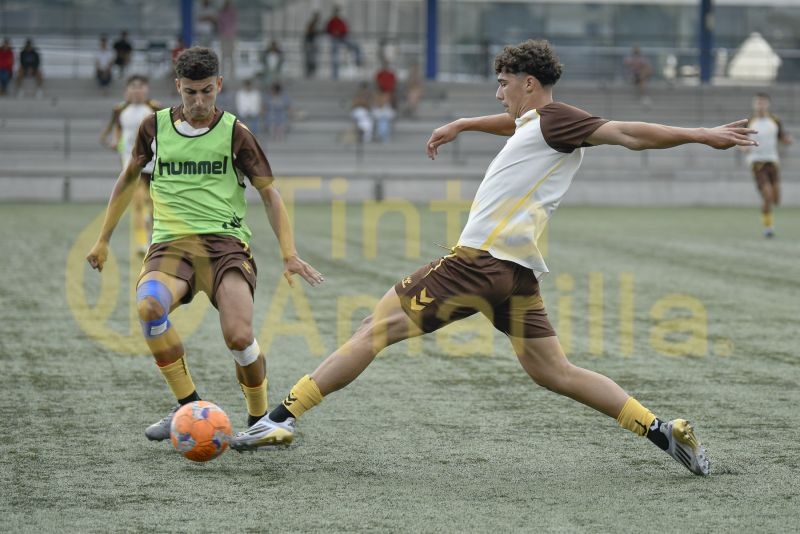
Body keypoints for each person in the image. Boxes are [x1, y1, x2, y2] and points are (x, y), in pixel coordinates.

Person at [230, 39, 758, 477]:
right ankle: (663, 431)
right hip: (515, 276)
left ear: (529, 83)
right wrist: (463, 122)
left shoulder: (556, 116)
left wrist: (700, 134)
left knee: (372, 328)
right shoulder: (539, 123)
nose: (498, 92)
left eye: (503, 83)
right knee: (555, 371)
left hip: (475, 265)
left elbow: (627, 134)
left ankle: (280, 415)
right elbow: (516, 124)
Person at [86, 47, 323, 444]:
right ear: (178, 86)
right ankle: (187, 408)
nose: (198, 102)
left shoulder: (236, 133)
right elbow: (128, 180)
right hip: (171, 246)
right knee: (149, 307)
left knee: (239, 338)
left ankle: (259, 419)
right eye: (190, 92)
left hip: (225, 247)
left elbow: (270, 195)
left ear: (219, 86)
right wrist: (103, 239)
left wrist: (289, 253)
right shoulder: (153, 127)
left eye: (207, 92)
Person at [99, 75, 162, 254]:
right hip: (131, 164)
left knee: (154, 205)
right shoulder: (119, 109)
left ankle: (153, 239)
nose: (137, 90)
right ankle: (142, 243)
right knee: (138, 202)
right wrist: (114, 141)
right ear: (127, 90)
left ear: (146, 89)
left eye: (140, 86)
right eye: (133, 86)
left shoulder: (155, 107)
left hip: (154, 162)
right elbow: (116, 130)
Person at [740, 92, 793, 237]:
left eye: (762, 102)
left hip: (773, 161)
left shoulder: (775, 121)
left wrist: (787, 140)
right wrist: (743, 147)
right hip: (757, 162)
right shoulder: (749, 122)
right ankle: (768, 228)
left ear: (768, 104)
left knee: (776, 198)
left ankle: (768, 210)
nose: (760, 105)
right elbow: (740, 140)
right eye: (757, 102)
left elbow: (781, 136)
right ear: (754, 104)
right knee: (767, 195)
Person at [326, 5, 361, 80]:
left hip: (342, 37)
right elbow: (328, 30)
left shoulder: (341, 21)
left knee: (355, 46)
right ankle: (335, 75)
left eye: (337, 12)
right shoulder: (331, 21)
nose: (336, 13)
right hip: (334, 39)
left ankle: (359, 60)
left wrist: (340, 32)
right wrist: (334, 33)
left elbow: (346, 30)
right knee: (335, 55)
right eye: (335, 12)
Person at [217, 0, 237, 78]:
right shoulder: (221, 13)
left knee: (231, 56)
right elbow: (219, 23)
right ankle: (222, 73)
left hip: (231, 36)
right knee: (223, 55)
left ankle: (232, 74)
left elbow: (234, 22)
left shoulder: (232, 12)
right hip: (223, 36)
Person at [302, 11, 321, 78]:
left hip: (312, 43)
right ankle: (309, 72)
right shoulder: (311, 24)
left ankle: (311, 72)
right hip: (310, 43)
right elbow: (310, 32)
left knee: (312, 59)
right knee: (309, 58)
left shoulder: (315, 25)